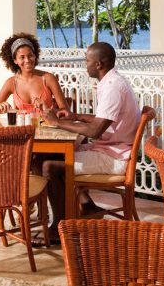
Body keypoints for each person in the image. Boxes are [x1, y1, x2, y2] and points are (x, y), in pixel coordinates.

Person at [39, 42, 141, 244]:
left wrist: (58, 122)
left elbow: (95, 130)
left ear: (99, 64)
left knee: (49, 166)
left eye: (87, 61)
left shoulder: (113, 87)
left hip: (114, 156)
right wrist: (73, 116)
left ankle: (59, 227)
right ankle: (87, 206)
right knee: (48, 157)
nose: (85, 65)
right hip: (111, 148)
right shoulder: (111, 81)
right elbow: (101, 119)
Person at [0, 32, 68, 118]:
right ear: (15, 60)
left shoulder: (48, 79)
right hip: (22, 131)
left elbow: (66, 113)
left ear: (35, 56)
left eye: (30, 55)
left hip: (48, 130)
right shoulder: (11, 83)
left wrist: (47, 109)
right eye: (22, 57)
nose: (27, 60)